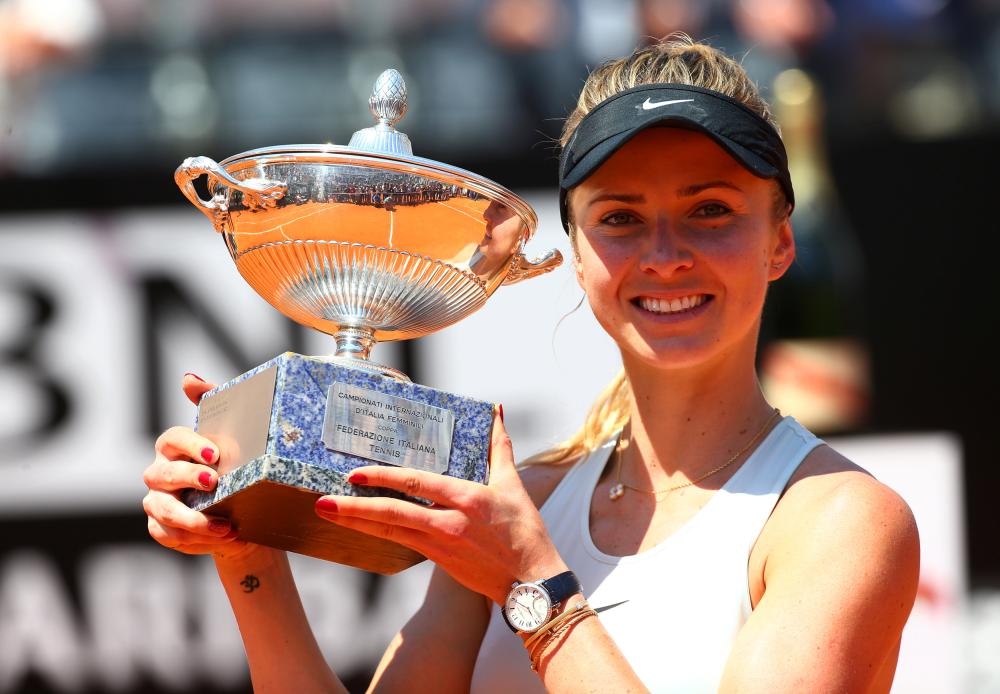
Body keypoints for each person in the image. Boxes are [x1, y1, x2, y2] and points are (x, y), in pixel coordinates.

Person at [142, 35, 919, 693]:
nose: (666, 256)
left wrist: (534, 588)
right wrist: (248, 557)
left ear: (779, 241)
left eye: (710, 210)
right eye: (620, 218)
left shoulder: (839, 519)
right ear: (577, 257)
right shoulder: (527, 502)